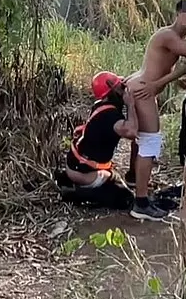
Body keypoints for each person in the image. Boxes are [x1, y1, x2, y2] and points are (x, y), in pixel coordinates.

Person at [123, 0, 186, 221]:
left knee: (143, 139)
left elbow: (164, 66)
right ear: (181, 14)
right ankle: (141, 203)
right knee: (151, 141)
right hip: (143, 91)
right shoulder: (168, 35)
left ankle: (135, 180)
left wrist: (174, 80)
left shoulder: (174, 37)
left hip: (142, 88)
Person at [55, 71, 140, 210]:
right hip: (84, 173)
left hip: (76, 165)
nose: (123, 90)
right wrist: (130, 105)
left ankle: (68, 180)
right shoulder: (109, 115)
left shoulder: (101, 105)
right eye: (120, 87)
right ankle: (79, 194)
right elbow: (132, 132)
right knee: (125, 199)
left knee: (115, 179)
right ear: (111, 92)